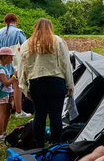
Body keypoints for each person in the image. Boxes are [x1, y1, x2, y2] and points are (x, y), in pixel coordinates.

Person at [19, 18, 74, 147]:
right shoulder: (58, 41)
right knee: (56, 116)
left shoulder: (27, 44)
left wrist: (24, 89)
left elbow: (22, 68)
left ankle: (39, 146)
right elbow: (66, 64)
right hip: (56, 82)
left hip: (37, 84)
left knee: (39, 116)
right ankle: (56, 145)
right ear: (50, 27)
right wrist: (70, 84)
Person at [0, 13, 30, 118]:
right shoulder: (18, 31)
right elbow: (25, 47)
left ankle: (5, 110)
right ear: (15, 20)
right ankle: (19, 112)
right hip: (15, 63)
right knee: (17, 87)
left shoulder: (0, 31)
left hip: (3, 63)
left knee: (4, 87)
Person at [0, 47, 18, 142]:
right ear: (4, 57)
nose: (12, 60)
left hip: (7, 93)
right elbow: (6, 83)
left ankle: (4, 132)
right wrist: (14, 76)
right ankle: (0, 135)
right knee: (2, 113)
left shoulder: (3, 68)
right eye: (10, 57)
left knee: (7, 112)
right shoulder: (0, 69)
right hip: (3, 94)